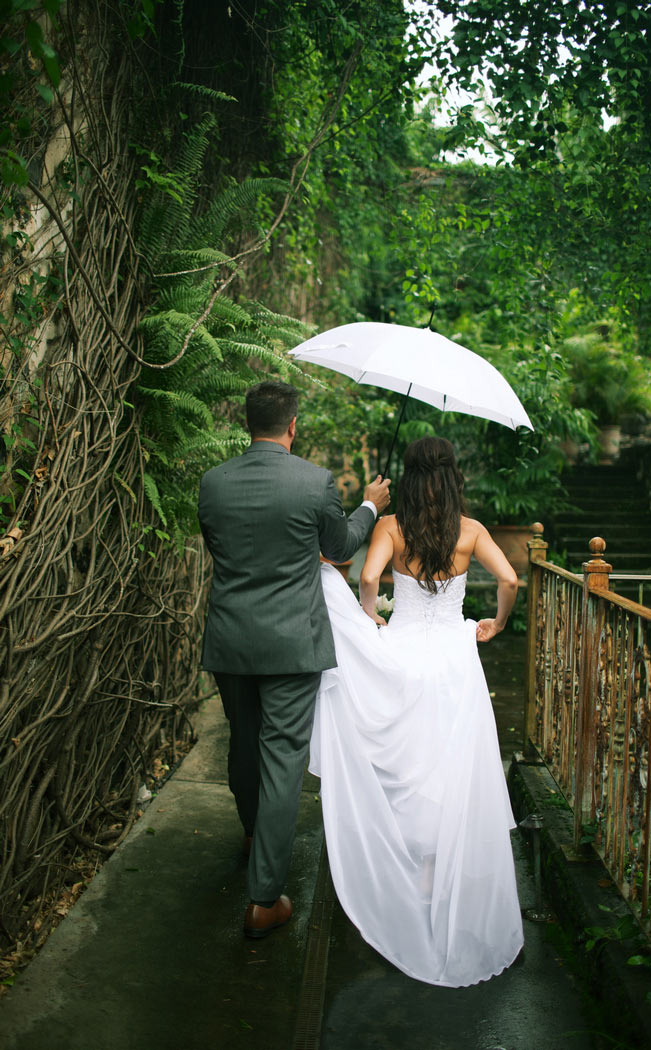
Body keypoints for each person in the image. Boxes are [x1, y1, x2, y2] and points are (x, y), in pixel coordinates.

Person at [308, 435, 524, 987]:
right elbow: (510, 579)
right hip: (455, 659)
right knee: (448, 768)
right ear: (452, 476)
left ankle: (404, 869)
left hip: (403, 651)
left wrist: (369, 621)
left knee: (403, 763)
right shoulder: (470, 531)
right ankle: (436, 876)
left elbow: (368, 578)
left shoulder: (391, 526)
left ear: (408, 475)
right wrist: (496, 624)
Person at [197, 380, 391, 938]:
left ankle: (254, 835)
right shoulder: (314, 482)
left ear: (246, 424)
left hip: (231, 641)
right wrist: (369, 507)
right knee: (281, 756)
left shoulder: (213, 484)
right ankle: (263, 899)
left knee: (242, 741)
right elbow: (341, 547)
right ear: (292, 426)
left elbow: (222, 550)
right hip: (292, 643)